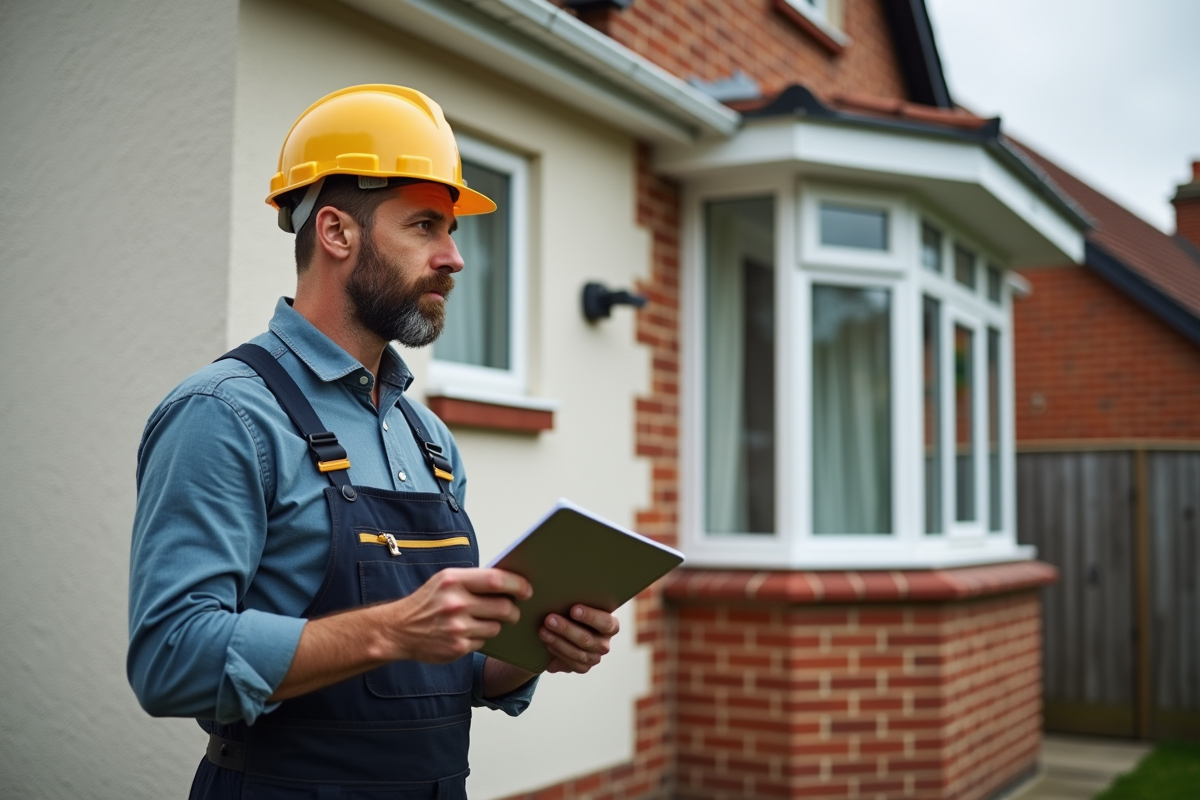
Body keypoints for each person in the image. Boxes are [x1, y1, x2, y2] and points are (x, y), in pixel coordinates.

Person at [127, 84, 620, 799]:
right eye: (425, 226)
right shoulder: (225, 414)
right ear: (335, 232)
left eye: (452, 231)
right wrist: (391, 628)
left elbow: (444, 667)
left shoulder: (429, 440)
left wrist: (531, 654)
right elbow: (170, 661)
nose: (453, 258)